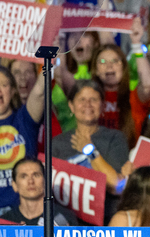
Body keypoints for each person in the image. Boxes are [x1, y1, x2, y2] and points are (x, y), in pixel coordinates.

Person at [52, 80, 130, 224]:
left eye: (93, 100)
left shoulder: (115, 138)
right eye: (82, 100)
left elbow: (116, 185)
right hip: (67, 224)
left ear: (102, 106)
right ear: (71, 106)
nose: (88, 105)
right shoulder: (57, 143)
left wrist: (90, 150)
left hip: (106, 223)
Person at [0, 66, 44, 214]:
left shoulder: (24, 119)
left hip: (23, 211)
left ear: (13, 91)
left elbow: (39, 92)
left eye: (4, 85)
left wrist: (48, 60)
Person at [1, 158, 77, 226]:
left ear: (45, 181)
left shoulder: (64, 218)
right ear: (14, 185)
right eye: (23, 176)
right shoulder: (5, 222)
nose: (31, 181)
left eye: (36, 175)